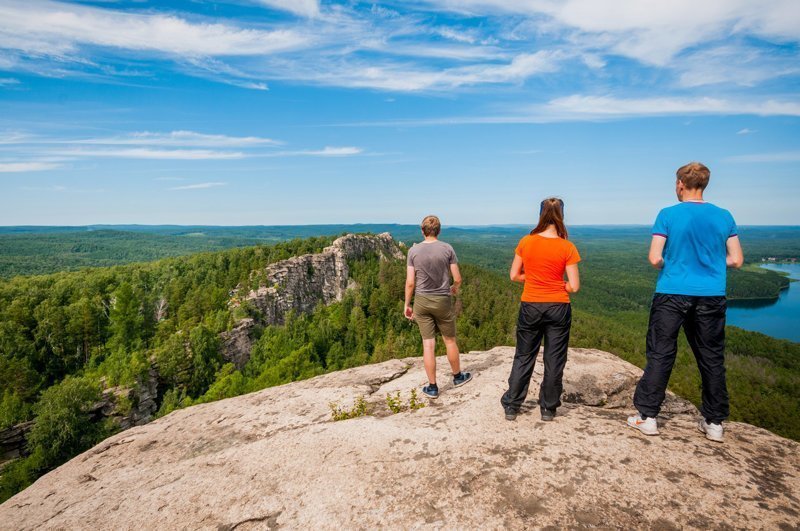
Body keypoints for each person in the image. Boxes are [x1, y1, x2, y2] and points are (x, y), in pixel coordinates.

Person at [627, 162, 744, 442]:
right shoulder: (724, 216)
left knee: (661, 352)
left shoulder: (668, 214)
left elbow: (655, 258)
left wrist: (676, 264)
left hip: (672, 292)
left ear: (680, 183)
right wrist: (711, 264)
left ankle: (648, 417)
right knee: (711, 356)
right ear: (704, 184)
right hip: (712, 294)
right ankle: (714, 422)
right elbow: (737, 260)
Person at [501, 198, 580, 421]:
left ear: (540, 215)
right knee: (554, 359)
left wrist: (534, 277)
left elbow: (514, 275)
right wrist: (558, 283)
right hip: (558, 306)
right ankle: (548, 408)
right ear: (562, 215)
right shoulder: (567, 246)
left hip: (531, 305)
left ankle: (512, 405)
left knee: (524, 356)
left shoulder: (526, 242)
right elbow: (574, 286)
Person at [404, 215, 472, 399]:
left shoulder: (413, 251)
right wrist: (453, 288)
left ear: (422, 231)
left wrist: (407, 304)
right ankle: (458, 377)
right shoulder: (447, 248)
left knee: (428, 344)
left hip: (422, 301)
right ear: (439, 230)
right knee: (449, 340)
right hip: (442, 299)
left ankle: (433, 387)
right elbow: (457, 278)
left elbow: (410, 283)